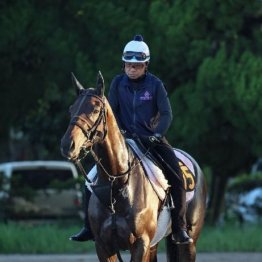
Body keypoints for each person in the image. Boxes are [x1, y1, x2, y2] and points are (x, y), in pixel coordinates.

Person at [70, 35, 193, 245]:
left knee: (176, 177)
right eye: (128, 65)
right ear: (124, 64)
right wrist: (117, 136)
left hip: (152, 141)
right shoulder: (117, 83)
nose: (131, 69)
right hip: (123, 142)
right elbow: (112, 113)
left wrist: (157, 133)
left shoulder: (155, 85)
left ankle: (179, 227)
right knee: (90, 180)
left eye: (136, 65)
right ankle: (88, 227)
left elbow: (166, 115)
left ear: (145, 65)